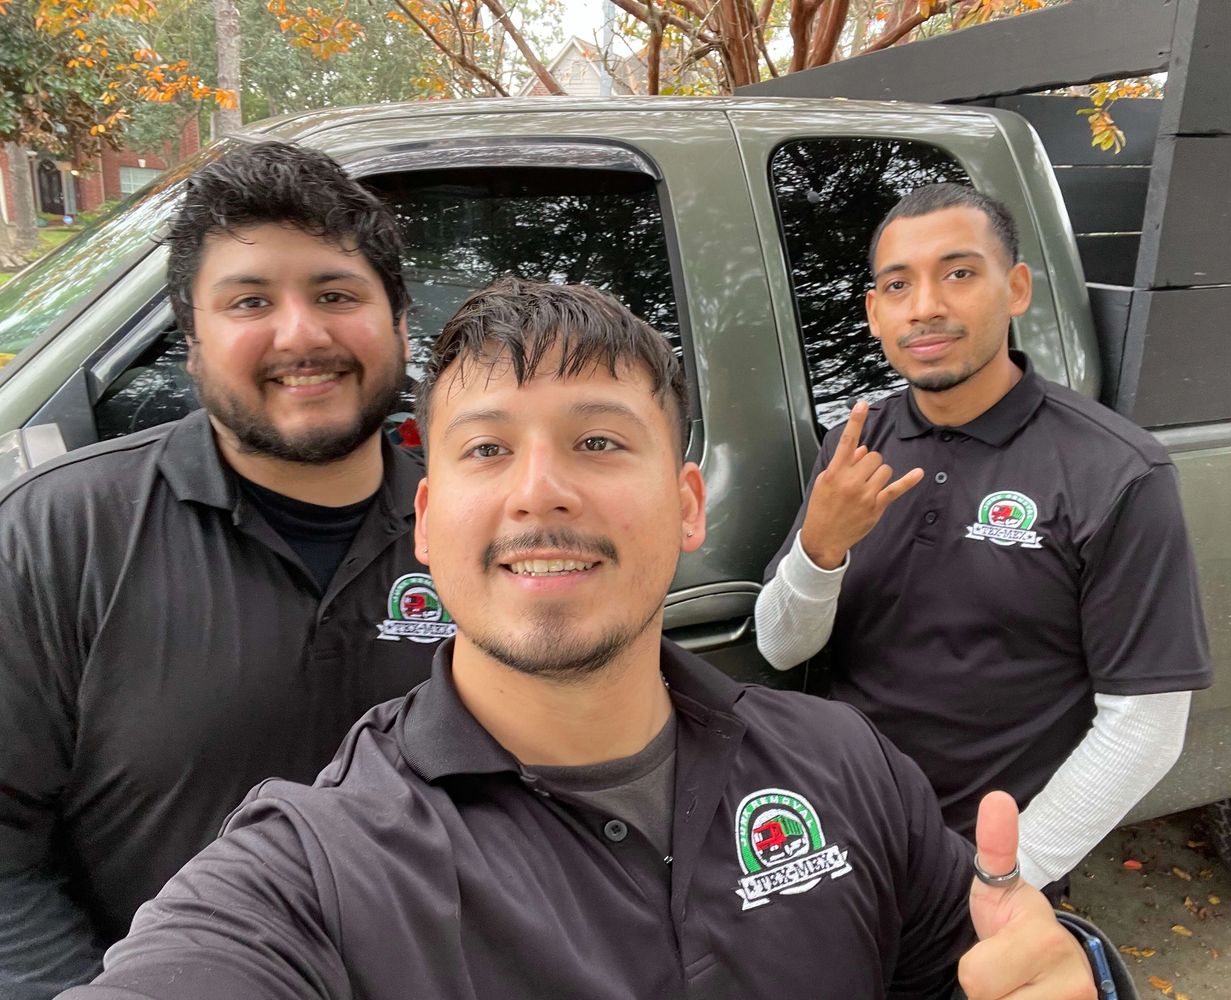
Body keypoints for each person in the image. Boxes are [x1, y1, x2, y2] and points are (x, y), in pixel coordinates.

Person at [57, 278, 1101, 1000]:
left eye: (598, 441)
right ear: (427, 522)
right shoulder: (319, 869)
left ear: (686, 506)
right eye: (486, 450)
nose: (540, 490)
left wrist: (1079, 971)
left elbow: (981, 970)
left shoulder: (845, 766)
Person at [0, 143, 444, 999]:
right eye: (250, 301)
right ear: (193, 340)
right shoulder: (58, 534)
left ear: (397, 323)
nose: (302, 334)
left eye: (336, 294)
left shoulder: (477, 533)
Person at [756, 182, 1212, 897]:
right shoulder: (855, 445)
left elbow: (1146, 722)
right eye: (898, 285)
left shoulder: (1115, 472)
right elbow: (781, 646)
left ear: (1016, 288)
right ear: (875, 313)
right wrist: (820, 550)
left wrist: (1003, 877)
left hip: (989, 865)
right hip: (848, 834)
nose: (925, 306)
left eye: (959, 273)